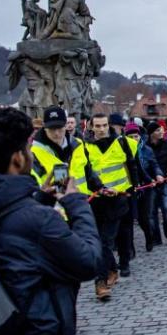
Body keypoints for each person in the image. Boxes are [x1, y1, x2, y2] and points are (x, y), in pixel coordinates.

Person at [0, 108, 101, 335]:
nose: (32, 153)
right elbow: (88, 261)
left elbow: (10, 223)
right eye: (28, 147)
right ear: (17, 159)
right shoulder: (39, 221)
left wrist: (41, 198)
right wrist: (76, 202)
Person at [69, 113, 139, 300]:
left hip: (119, 198)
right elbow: (85, 172)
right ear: (91, 127)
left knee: (108, 240)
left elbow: (132, 166)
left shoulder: (121, 142)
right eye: (97, 126)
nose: (101, 129)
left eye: (104, 125)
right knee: (98, 240)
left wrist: (133, 188)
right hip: (96, 199)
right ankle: (108, 273)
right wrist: (97, 189)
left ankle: (103, 281)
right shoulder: (83, 147)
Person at [124, 122, 164, 252]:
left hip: (147, 187)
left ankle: (149, 237)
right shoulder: (123, 151)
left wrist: (157, 175)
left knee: (144, 217)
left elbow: (154, 165)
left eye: (136, 136)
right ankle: (130, 249)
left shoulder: (147, 150)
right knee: (129, 218)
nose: (134, 139)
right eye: (130, 137)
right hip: (130, 187)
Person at [30, 105, 81, 186]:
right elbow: (33, 181)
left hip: (82, 197)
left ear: (65, 126)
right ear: (44, 127)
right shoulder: (35, 153)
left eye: (60, 128)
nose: (56, 133)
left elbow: (87, 171)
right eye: (52, 129)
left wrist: (99, 186)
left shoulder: (78, 144)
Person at [146, 122, 167, 245]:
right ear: (151, 133)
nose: (161, 132)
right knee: (152, 211)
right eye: (158, 130)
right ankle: (156, 237)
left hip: (166, 180)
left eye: (161, 130)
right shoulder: (145, 146)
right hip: (151, 182)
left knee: (166, 208)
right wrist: (149, 178)